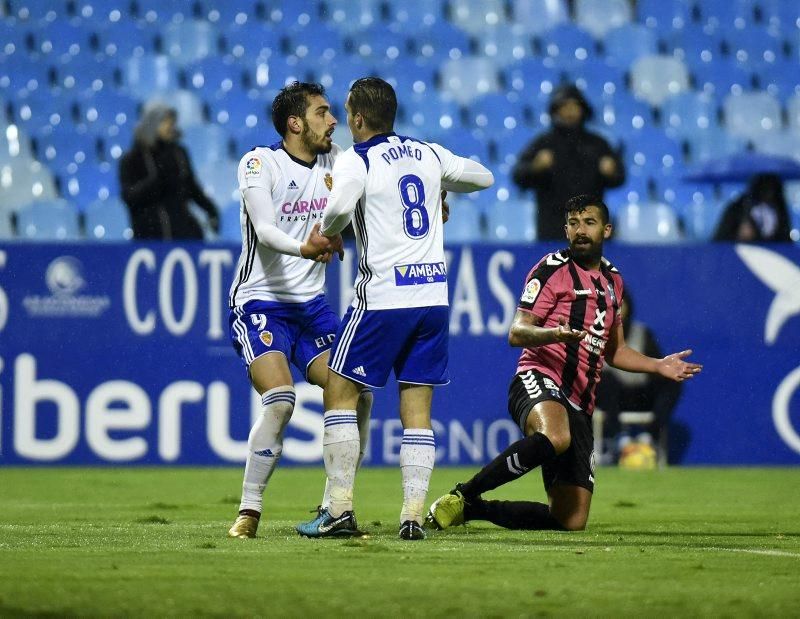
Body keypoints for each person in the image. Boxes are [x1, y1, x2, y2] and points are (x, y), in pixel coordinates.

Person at [426, 194, 701, 532]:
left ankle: (473, 509)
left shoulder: (614, 282)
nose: (580, 230)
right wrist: (554, 333)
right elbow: (517, 331)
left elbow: (614, 351)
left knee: (570, 520)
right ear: (566, 229)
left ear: (607, 230)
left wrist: (657, 365)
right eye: (573, 223)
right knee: (556, 436)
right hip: (539, 377)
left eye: (589, 222)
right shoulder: (551, 269)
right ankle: (464, 493)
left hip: (581, 400)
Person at [295, 77, 494, 541]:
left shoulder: (356, 158)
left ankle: (340, 509)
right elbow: (483, 177)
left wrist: (327, 231)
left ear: (358, 118)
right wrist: (440, 189)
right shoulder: (427, 153)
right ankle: (410, 516)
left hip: (383, 298)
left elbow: (339, 207)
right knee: (417, 411)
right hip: (431, 299)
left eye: (346, 113)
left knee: (340, 393)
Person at [226, 82, 374, 539]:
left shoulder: (338, 163)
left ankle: (335, 505)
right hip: (260, 301)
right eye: (322, 113)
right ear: (295, 123)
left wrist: (437, 201)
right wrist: (305, 248)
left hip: (312, 308)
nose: (334, 121)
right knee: (281, 399)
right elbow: (266, 229)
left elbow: (382, 189)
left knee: (358, 394)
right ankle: (249, 511)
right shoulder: (258, 164)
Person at [512, 84, 625, 241]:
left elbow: (619, 177)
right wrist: (535, 168)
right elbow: (518, 176)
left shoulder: (598, 144)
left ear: (583, 110)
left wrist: (612, 171)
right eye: (565, 106)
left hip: (591, 227)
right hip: (553, 228)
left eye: (575, 106)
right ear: (555, 110)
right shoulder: (543, 143)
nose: (570, 111)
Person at [594, 293, 681, 462]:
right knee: (604, 379)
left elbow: (657, 367)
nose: (617, 310)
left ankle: (650, 436)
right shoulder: (594, 334)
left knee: (672, 380)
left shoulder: (642, 333)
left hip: (640, 395)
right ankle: (617, 437)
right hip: (610, 398)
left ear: (628, 306)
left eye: (621, 305)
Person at [119, 102, 220, 240]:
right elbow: (129, 196)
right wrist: (157, 180)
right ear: (151, 123)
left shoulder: (178, 153)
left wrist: (210, 209)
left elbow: (190, 186)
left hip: (182, 230)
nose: (170, 126)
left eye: (171, 122)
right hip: (149, 233)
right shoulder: (132, 158)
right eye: (164, 121)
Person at [714, 173, 792, 242]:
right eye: (764, 186)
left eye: (772, 187)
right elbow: (720, 238)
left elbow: (785, 237)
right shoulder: (738, 207)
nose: (768, 192)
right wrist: (738, 235)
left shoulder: (780, 208)